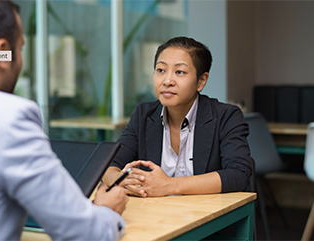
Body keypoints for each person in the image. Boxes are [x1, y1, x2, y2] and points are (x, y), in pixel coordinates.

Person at [0, 1, 128, 241]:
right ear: (1, 52)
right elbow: (84, 233)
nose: (19, 60)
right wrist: (106, 210)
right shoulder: (8, 117)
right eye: (20, 49)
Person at [102, 37, 252, 198]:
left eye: (180, 72)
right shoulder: (143, 115)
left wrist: (169, 185)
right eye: (161, 70)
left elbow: (239, 174)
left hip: (207, 216)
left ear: (201, 81)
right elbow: (108, 164)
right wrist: (119, 180)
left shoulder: (226, 116)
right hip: (157, 216)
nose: (167, 81)